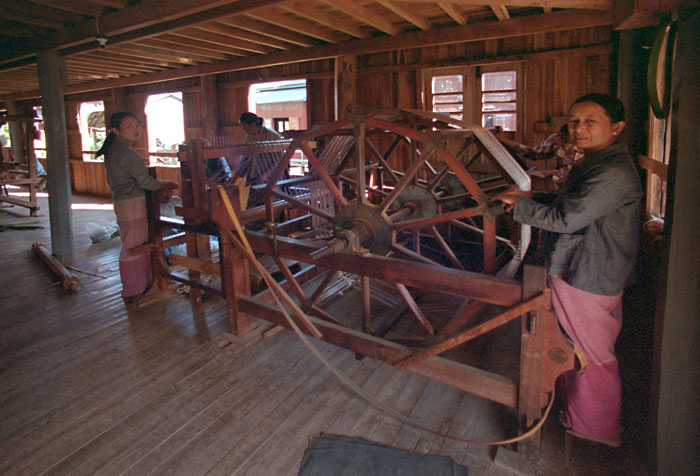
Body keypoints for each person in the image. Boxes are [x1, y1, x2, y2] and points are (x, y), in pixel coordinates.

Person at [493, 93, 642, 447]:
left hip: (589, 273)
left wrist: (520, 208)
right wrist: (527, 199)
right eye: (574, 121)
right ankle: (578, 416)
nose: (579, 128)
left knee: (592, 356)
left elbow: (566, 218)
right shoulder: (596, 163)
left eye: (591, 121)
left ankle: (599, 430)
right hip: (586, 268)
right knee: (574, 346)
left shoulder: (612, 173)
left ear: (616, 127)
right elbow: (570, 205)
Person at [95, 111, 178, 302]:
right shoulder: (127, 153)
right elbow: (145, 182)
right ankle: (133, 289)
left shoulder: (114, 150)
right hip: (132, 203)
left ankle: (144, 282)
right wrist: (165, 184)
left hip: (124, 202)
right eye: (129, 126)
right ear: (115, 130)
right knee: (133, 247)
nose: (136, 130)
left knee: (136, 243)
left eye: (137, 125)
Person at [496, 124, 585, 189]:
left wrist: (548, 173)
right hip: (564, 189)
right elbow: (534, 153)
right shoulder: (558, 138)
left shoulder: (593, 143)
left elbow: (585, 172)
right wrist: (505, 141)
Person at [234, 112, 283, 184]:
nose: (243, 129)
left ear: (252, 124)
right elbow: (245, 158)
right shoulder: (249, 137)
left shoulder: (272, 136)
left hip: (271, 177)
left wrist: (266, 174)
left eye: (244, 127)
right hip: (254, 176)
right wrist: (236, 176)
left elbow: (280, 160)